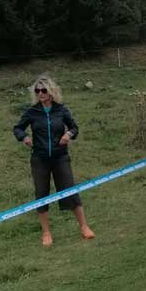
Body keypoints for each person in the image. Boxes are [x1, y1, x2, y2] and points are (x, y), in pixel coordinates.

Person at [13, 74, 95, 246]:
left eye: (43, 90)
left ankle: (84, 227)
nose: (40, 93)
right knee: (41, 194)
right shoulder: (32, 112)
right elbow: (18, 128)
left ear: (51, 91)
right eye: (37, 91)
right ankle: (46, 233)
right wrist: (24, 137)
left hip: (60, 157)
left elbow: (74, 128)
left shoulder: (61, 110)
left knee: (70, 190)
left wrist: (68, 134)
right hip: (39, 159)